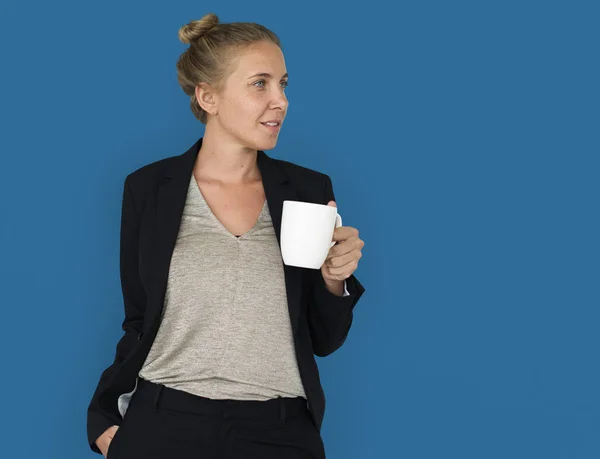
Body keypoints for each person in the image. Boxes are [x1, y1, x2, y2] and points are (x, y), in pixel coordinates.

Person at [87, 12, 366, 459]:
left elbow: (324, 340)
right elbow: (140, 319)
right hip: (163, 424)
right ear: (208, 97)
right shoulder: (148, 189)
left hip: (279, 432)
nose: (280, 100)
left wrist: (335, 281)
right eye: (260, 83)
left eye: (283, 84)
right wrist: (104, 420)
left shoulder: (310, 192)